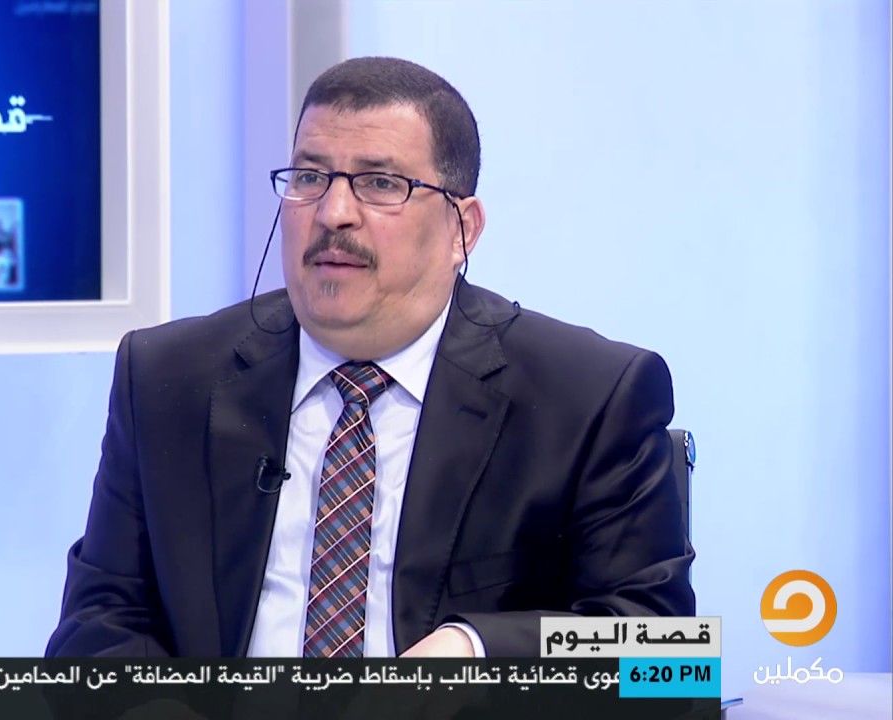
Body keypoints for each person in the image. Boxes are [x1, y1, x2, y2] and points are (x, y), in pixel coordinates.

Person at [47, 56, 694, 659]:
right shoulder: (168, 377)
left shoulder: (587, 397)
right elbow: (97, 625)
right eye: (310, 178)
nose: (334, 213)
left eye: (380, 184)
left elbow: (662, 655)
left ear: (462, 229)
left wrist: (476, 651)